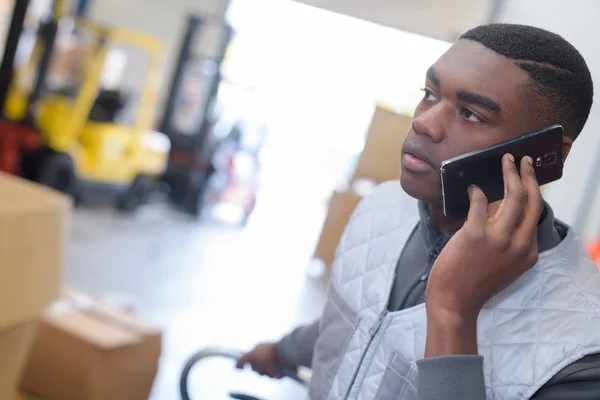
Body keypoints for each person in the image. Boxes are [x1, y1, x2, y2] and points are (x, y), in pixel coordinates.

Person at [237, 23, 600, 399]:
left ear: (546, 155)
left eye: (471, 114)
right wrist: (284, 350)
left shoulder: (580, 353)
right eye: (429, 93)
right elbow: (355, 322)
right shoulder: (382, 206)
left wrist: (452, 315)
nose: (423, 122)